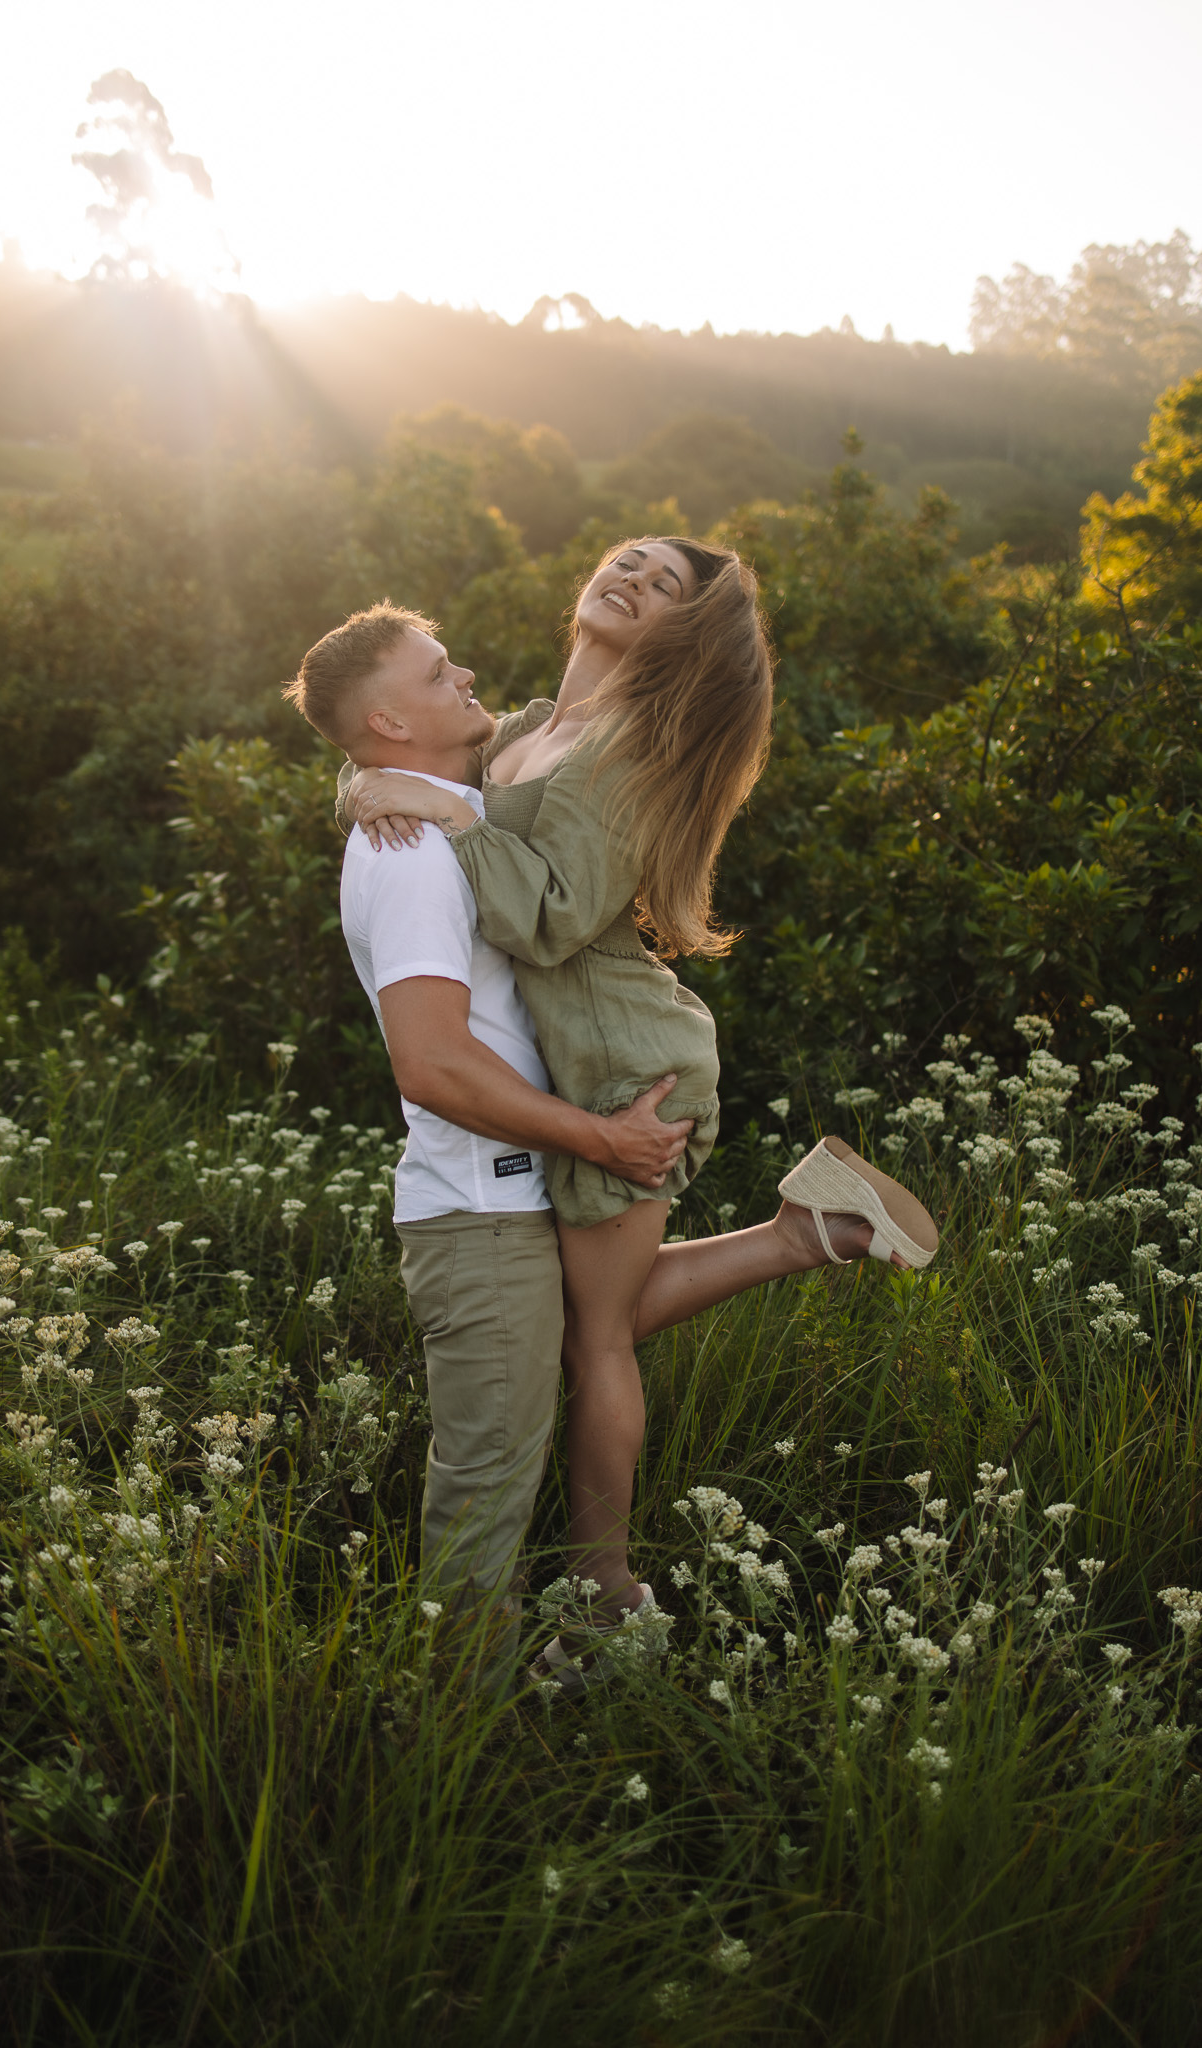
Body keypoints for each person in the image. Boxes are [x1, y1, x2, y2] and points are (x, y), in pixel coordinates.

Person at [342, 539, 939, 1686]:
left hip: (627, 1064)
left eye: (666, 588)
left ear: (681, 637)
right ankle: (813, 1228)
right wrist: (366, 780)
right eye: (628, 559)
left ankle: (606, 1593)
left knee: (597, 1334)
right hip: (575, 1063)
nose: (633, 581)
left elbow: (557, 914)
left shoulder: (629, 748)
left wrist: (441, 813)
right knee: (578, 1320)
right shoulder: (525, 721)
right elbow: (399, 742)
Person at [286, 601, 692, 1675]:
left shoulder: (444, 809)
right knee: (484, 1502)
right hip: (480, 1210)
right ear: (388, 716)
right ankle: (452, 1751)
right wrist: (603, 1140)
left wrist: (360, 778)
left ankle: (804, 1236)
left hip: (508, 1202)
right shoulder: (415, 853)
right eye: (436, 669)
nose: (466, 669)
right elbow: (435, 1062)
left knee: (593, 1346)